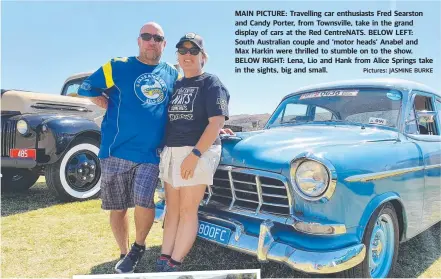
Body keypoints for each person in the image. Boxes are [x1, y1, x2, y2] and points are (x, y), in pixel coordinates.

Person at [77, 22, 180, 274]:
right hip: (115, 150)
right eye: (147, 36)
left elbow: (185, 107)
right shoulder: (117, 66)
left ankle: (138, 246)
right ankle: (123, 252)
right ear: (138, 41)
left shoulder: (171, 74)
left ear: (164, 44)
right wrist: (103, 101)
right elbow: (88, 88)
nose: (152, 41)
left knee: (145, 201)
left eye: (158, 38)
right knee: (118, 206)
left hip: (150, 152)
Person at [156, 33, 230, 272]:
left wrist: (195, 154)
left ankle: (175, 262)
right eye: (183, 51)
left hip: (196, 152)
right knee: (172, 208)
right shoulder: (176, 85)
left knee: (188, 209)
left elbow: (215, 122)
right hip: (172, 150)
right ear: (177, 56)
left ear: (203, 57)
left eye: (193, 51)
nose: (187, 55)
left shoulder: (211, 83)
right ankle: (164, 255)